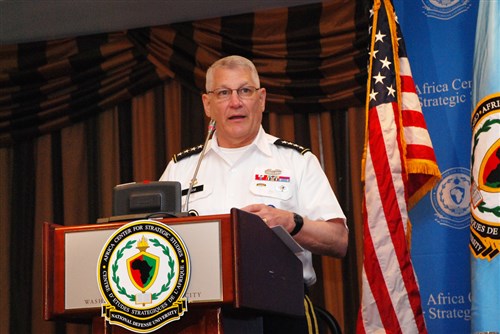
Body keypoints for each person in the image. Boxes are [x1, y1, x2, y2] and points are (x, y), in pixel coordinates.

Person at [160, 55, 348, 333]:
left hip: (279, 312)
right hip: (197, 315)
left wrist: (292, 223)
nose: (235, 102)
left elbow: (339, 241)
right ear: (207, 104)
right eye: (223, 93)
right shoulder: (181, 167)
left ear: (261, 99)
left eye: (245, 91)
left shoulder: (296, 160)